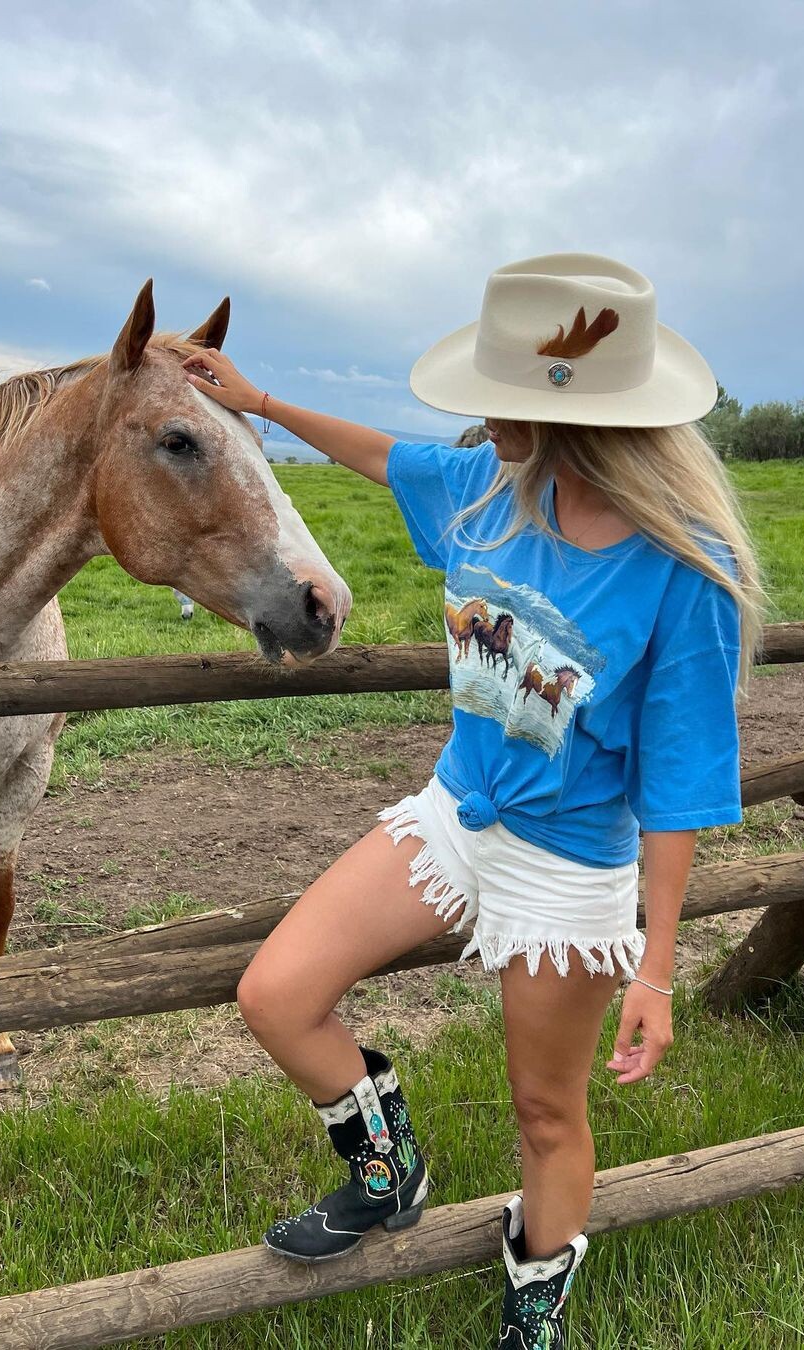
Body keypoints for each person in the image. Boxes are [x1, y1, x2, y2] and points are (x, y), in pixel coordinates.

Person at [183, 254, 763, 1347]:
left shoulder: (685, 572)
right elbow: (380, 456)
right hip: (456, 816)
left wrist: (656, 966)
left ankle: (534, 1308)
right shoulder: (486, 490)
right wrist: (258, 402)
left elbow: (680, 781)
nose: (480, 414)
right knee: (277, 994)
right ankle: (389, 1165)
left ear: (581, 414)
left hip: (569, 866)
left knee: (546, 1113)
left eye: (502, 395)